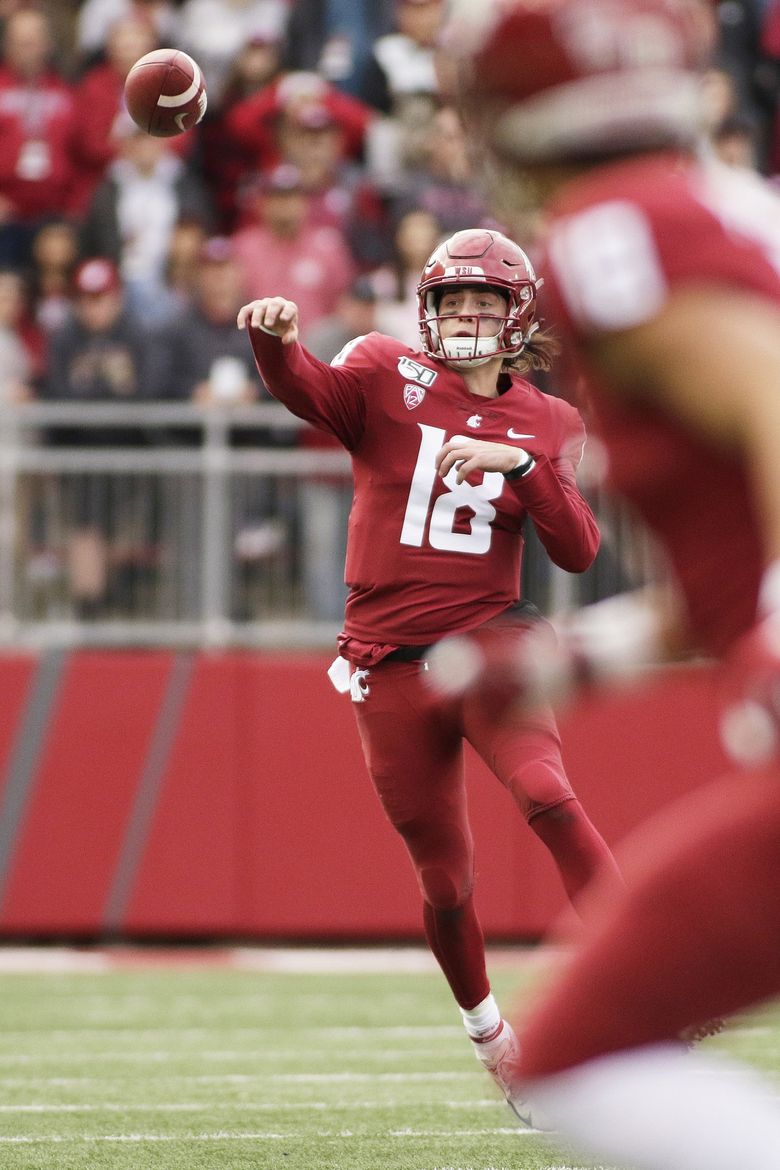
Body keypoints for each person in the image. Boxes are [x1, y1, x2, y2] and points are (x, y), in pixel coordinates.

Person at [434, 0, 780, 1161]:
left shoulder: (609, 228)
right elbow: (727, 558)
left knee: (581, 1052)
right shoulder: (700, 206)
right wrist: (585, 656)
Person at [237, 226, 623, 1116]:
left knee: (547, 793)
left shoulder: (548, 419)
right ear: (429, 310)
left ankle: (648, 972)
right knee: (445, 881)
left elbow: (578, 549)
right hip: (388, 664)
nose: (468, 316)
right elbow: (306, 389)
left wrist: (522, 464)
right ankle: (492, 1036)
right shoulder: (381, 370)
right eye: (453, 301)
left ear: (518, 316)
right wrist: (274, 339)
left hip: (492, 637)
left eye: (486, 300)